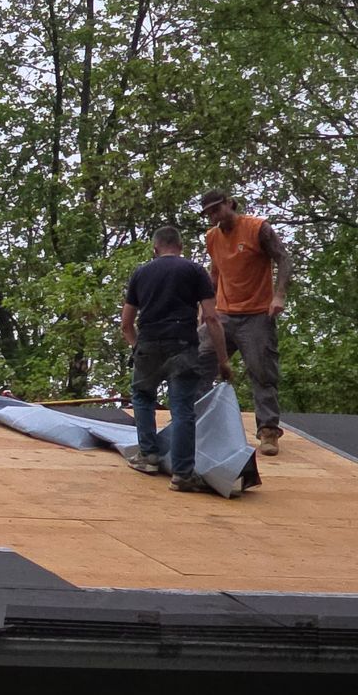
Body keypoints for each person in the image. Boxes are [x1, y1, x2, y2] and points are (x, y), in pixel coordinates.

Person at [121, 224, 232, 493]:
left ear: (155, 248)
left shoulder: (141, 273)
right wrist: (223, 360)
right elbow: (211, 317)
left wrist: (138, 347)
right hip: (183, 345)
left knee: (143, 396)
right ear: (180, 247)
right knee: (182, 408)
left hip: (148, 342)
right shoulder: (194, 271)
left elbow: (126, 324)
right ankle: (182, 473)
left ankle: (148, 457)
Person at [197, 188, 292, 455]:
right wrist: (204, 309)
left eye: (217, 209)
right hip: (224, 314)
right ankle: (192, 420)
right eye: (209, 213)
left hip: (256, 314)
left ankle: (268, 431)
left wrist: (279, 295)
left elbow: (283, 258)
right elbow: (214, 274)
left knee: (262, 371)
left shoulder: (257, 228)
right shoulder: (212, 237)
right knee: (197, 360)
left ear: (229, 204)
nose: (214, 215)